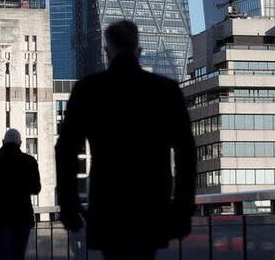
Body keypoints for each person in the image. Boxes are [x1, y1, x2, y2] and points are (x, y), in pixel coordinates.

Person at [56, 20, 196, 260]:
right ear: (138, 51)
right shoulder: (165, 89)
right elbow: (186, 152)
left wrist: (68, 206)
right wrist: (183, 208)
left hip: (108, 200)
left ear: (107, 52)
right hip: (152, 200)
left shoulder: (88, 89)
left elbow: (66, 149)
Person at [0, 129, 41, 260]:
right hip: (22, 217)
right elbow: (36, 188)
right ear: (21, 143)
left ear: (3, 142)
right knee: (18, 255)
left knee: (2, 255)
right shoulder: (29, 161)